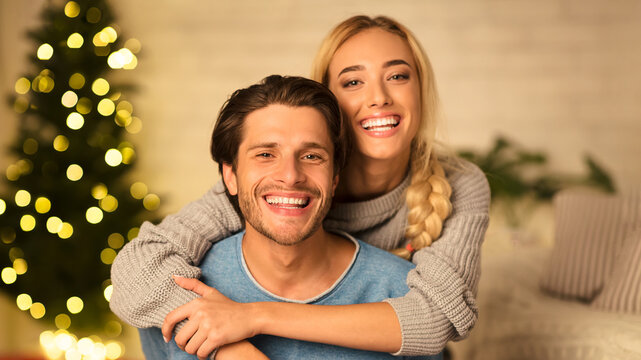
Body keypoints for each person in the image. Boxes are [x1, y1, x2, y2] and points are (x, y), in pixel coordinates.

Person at [110, 15, 490, 357]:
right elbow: (138, 267)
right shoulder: (271, 186)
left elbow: (436, 319)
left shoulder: (459, 184)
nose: (378, 97)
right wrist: (228, 344)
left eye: (398, 76)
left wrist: (253, 317)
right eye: (353, 81)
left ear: (421, 90)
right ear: (330, 101)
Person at [137, 75, 441, 359]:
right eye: (266, 155)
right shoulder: (176, 291)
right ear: (230, 176)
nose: (291, 176)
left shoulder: (403, 293)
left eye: (312, 156)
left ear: (334, 178)